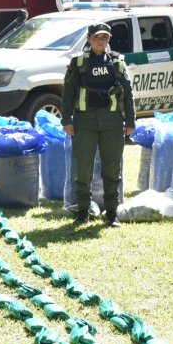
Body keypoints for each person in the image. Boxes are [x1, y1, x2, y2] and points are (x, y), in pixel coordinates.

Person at [62, 22, 135, 228]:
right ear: (88, 39)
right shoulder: (78, 62)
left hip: (112, 121)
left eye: (104, 38)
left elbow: (128, 93)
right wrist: (66, 119)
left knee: (112, 169)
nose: (100, 41)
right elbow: (67, 92)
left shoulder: (118, 62)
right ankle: (83, 212)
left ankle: (111, 214)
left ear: (109, 39)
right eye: (96, 38)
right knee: (83, 169)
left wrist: (130, 121)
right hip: (84, 121)